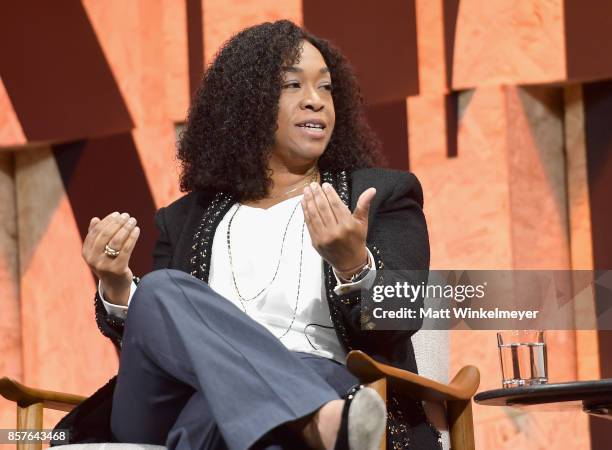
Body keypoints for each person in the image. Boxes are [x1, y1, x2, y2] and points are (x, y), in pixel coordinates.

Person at [53, 20, 441, 450]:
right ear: (248, 102)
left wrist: (353, 265)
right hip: (180, 401)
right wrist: (117, 286)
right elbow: (156, 354)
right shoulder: (183, 220)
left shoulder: (378, 195)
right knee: (160, 291)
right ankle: (316, 419)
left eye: (326, 88)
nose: (315, 101)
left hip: (315, 378)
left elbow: (400, 320)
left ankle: (290, 417)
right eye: (293, 85)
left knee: (243, 426)